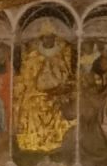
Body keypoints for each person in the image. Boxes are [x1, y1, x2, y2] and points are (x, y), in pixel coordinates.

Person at [14, 28, 75, 156]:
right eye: (46, 37)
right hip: (36, 92)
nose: (49, 39)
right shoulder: (34, 56)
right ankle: (35, 142)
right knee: (32, 106)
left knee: (60, 106)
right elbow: (27, 76)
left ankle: (56, 142)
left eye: (51, 37)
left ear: (54, 38)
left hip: (57, 92)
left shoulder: (61, 55)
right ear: (42, 39)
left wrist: (58, 85)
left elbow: (66, 74)